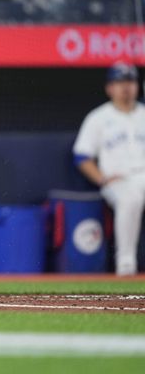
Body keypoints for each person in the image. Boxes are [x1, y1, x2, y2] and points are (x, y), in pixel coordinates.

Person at [73, 62, 145, 276]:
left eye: (130, 81)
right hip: (118, 179)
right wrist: (102, 179)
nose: (126, 87)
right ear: (109, 88)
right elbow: (82, 156)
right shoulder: (98, 118)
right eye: (120, 82)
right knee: (130, 198)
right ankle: (126, 264)